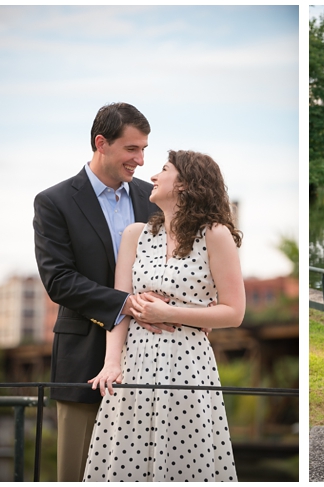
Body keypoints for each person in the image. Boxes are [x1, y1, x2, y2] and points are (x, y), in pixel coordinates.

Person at [83, 150, 245, 481]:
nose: (153, 176)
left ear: (185, 184)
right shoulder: (135, 235)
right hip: (136, 361)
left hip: (187, 363)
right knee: (128, 460)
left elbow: (234, 312)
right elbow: (120, 307)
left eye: (163, 169)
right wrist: (112, 363)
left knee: (184, 460)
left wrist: (167, 311)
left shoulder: (214, 234)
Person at [33, 102, 171, 481]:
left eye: (144, 148)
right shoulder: (54, 202)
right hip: (84, 360)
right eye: (132, 148)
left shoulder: (153, 198)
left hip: (152, 354)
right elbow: (58, 280)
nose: (141, 160)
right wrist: (126, 303)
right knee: (76, 473)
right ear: (101, 143)